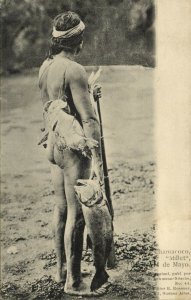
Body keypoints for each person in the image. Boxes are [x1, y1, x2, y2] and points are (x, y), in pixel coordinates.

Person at [38, 11, 106, 295]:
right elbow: (88, 120)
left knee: (62, 209)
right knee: (78, 215)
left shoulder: (46, 66)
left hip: (54, 145)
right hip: (73, 148)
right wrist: (97, 156)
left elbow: (57, 104)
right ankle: (75, 283)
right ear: (76, 39)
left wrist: (88, 91)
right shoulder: (74, 69)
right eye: (82, 38)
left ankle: (61, 270)